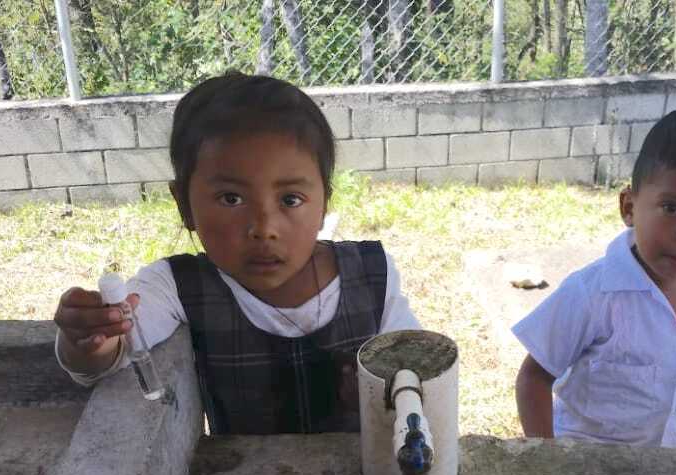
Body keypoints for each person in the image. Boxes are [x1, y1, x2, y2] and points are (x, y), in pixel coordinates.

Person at [53, 72, 420, 434]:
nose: (264, 227)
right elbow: (116, 350)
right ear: (184, 205)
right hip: (239, 474)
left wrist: (383, 395)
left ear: (324, 202)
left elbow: (418, 371)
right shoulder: (176, 286)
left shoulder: (373, 277)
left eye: (291, 199)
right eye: (231, 199)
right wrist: (89, 340)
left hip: (364, 470)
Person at [513, 105, 676, 448]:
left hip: (664, 460)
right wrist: (550, 459)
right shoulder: (593, 293)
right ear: (629, 207)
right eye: (672, 208)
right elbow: (534, 377)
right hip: (584, 460)